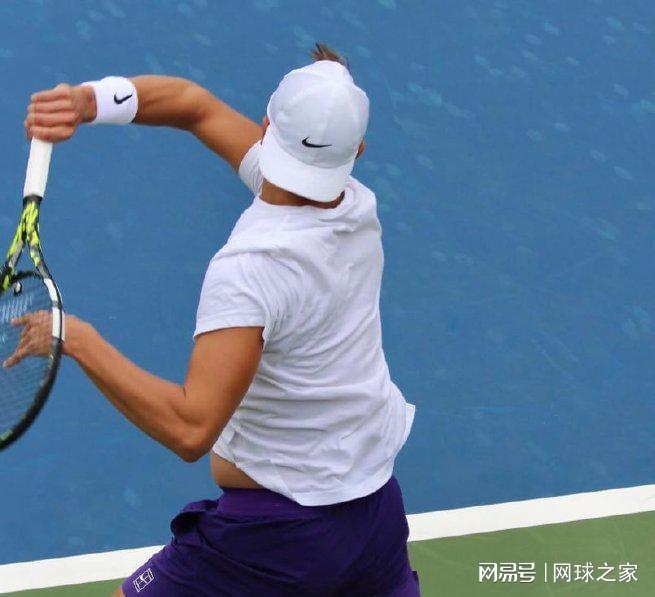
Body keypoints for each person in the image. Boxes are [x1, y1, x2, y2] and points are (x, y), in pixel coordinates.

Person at [14, 43, 419, 596]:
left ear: (268, 126)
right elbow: (193, 105)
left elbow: (191, 428)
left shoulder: (252, 269)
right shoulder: (353, 203)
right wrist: (88, 102)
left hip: (275, 539)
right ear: (357, 151)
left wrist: (74, 336)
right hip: (374, 514)